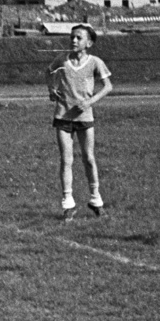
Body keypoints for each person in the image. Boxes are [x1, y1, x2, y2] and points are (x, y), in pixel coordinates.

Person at [47, 24, 113, 219]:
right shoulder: (62, 60)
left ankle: (95, 200)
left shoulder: (95, 62)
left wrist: (89, 102)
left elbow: (108, 86)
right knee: (66, 160)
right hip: (62, 116)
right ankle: (68, 204)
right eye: (72, 37)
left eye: (78, 38)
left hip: (85, 118)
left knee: (89, 158)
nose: (73, 41)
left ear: (89, 43)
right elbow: (48, 72)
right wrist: (52, 89)